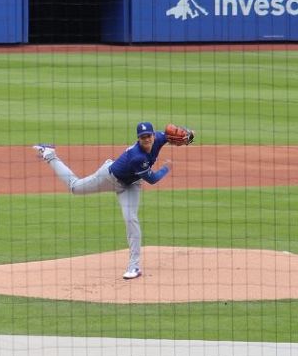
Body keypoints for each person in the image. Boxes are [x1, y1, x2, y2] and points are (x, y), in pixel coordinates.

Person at [33, 120, 195, 280]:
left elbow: (174, 136)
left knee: (131, 219)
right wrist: (166, 168)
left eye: (148, 136)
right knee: (75, 187)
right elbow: (152, 179)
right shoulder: (137, 157)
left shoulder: (159, 138)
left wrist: (188, 136)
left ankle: (134, 267)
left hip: (132, 184)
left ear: (153, 135)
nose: (146, 139)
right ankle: (49, 154)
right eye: (142, 137)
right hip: (109, 178)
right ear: (138, 138)